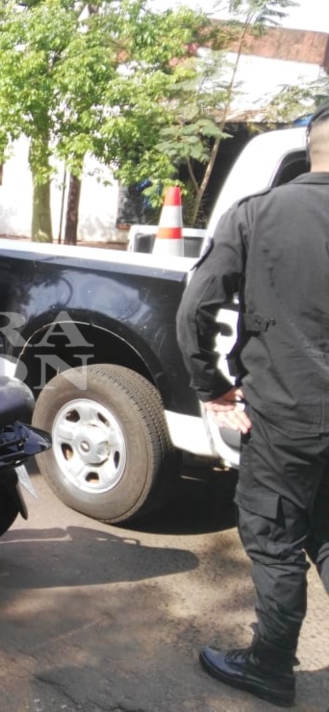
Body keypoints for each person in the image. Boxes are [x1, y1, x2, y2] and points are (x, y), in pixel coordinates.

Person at [176, 100, 329, 708]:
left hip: (286, 417)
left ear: (311, 148)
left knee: (275, 539)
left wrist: (211, 386)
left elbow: (196, 308)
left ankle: (269, 666)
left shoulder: (258, 214)